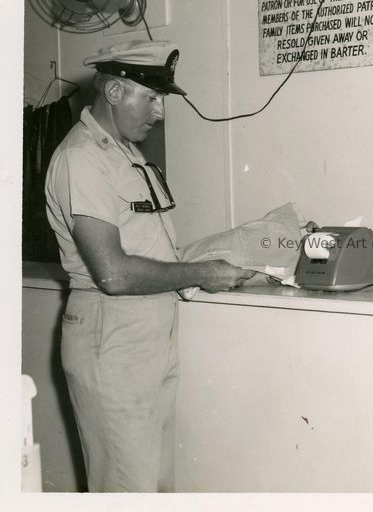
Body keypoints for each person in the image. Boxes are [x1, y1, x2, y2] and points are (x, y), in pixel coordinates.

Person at [44, 40, 256, 492]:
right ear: (115, 91)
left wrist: (224, 258)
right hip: (112, 335)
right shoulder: (83, 159)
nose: (159, 112)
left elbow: (148, 248)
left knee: (155, 487)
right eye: (152, 98)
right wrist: (201, 273)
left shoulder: (125, 154)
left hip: (147, 334)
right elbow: (114, 273)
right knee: (126, 489)